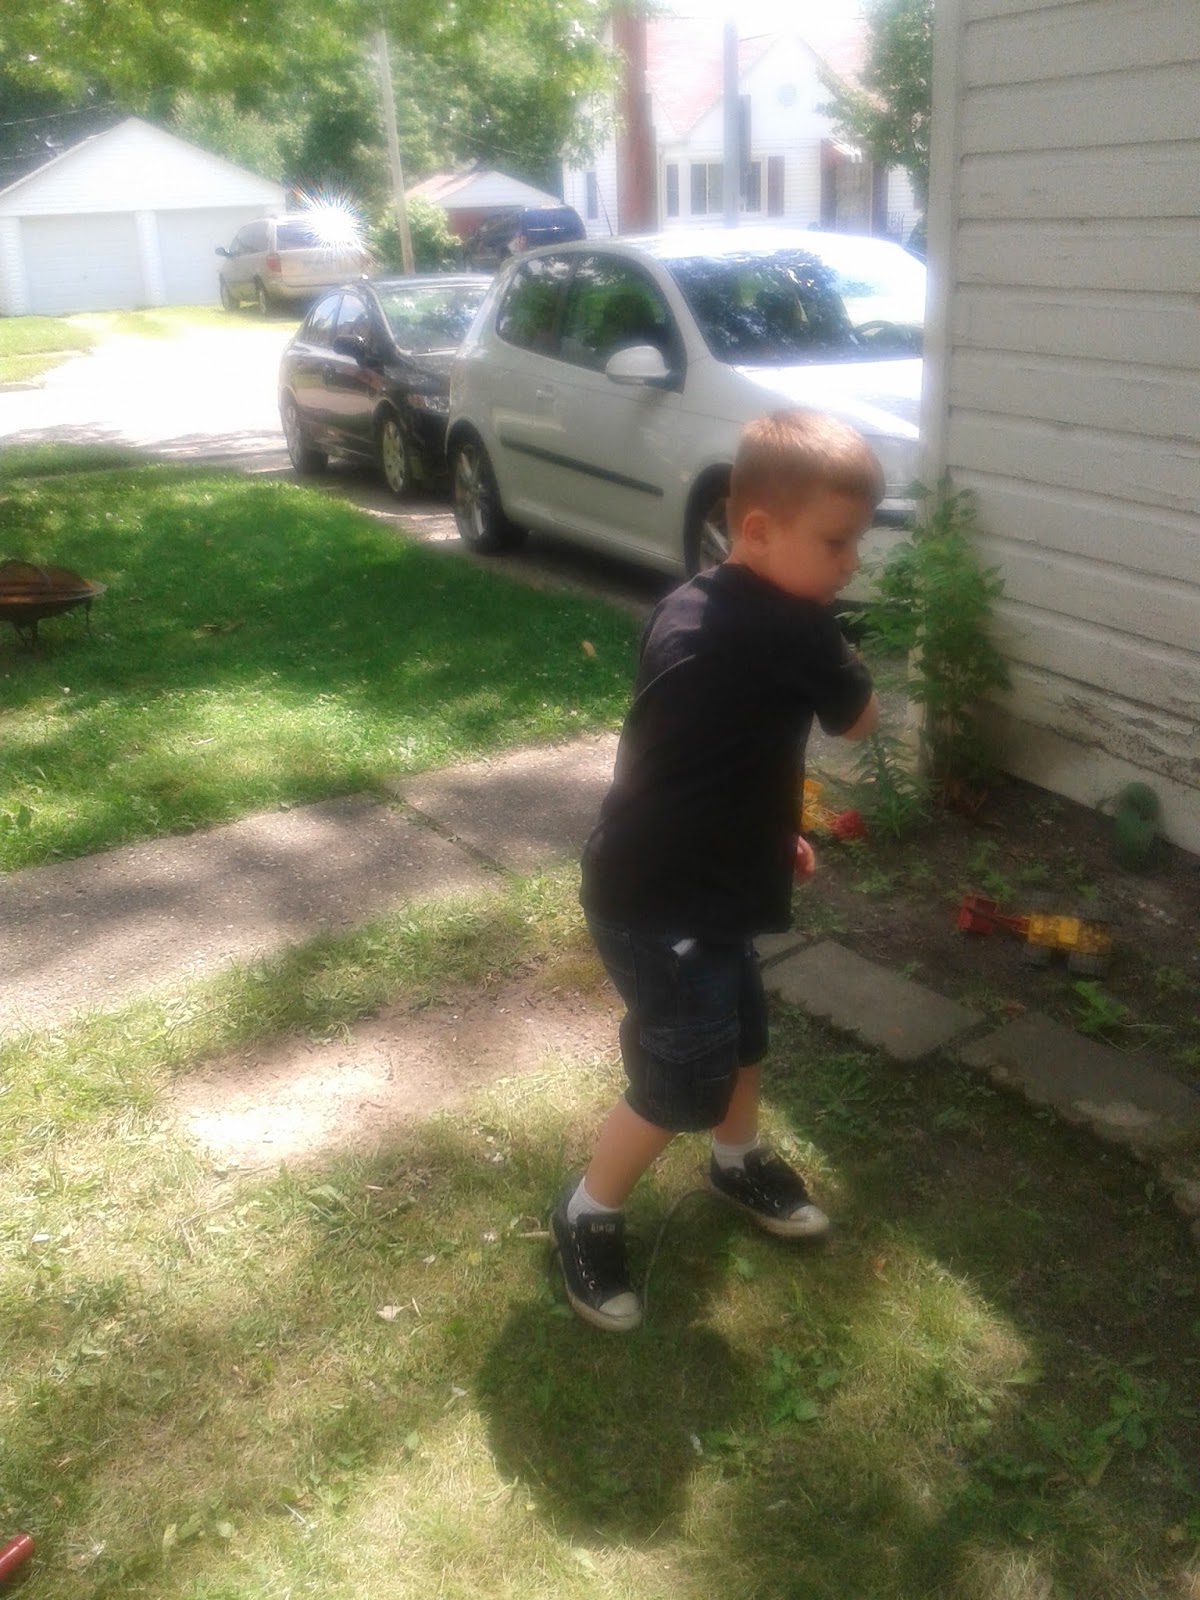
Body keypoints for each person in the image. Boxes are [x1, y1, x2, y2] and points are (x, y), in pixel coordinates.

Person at [554, 408, 883, 1332]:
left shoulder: (691, 601)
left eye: (855, 543)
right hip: (664, 903)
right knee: (682, 1080)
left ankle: (736, 1162)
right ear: (760, 530)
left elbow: (706, 746)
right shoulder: (797, 630)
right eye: (835, 543)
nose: (850, 564)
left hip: (679, 873)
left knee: (742, 1034)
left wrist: (767, 831)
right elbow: (860, 720)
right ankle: (587, 1210)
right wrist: (831, 637)